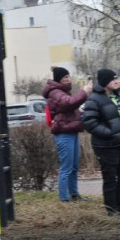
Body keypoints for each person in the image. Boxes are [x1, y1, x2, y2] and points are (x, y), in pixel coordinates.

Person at [81, 68, 120, 215]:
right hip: (106, 145)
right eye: (113, 79)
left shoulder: (117, 97)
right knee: (110, 178)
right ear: (105, 82)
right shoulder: (94, 99)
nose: (117, 81)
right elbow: (90, 123)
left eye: (117, 78)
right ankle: (112, 210)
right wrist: (109, 133)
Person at [42, 67, 91, 202]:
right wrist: (84, 91)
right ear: (58, 79)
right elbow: (69, 103)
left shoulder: (63, 92)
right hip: (64, 133)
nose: (68, 79)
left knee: (73, 167)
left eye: (68, 76)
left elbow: (69, 109)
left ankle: (74, 195)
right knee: (66, 168)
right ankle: (64, 198)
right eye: (65, 77)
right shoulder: (56, 92)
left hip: (71, 130)